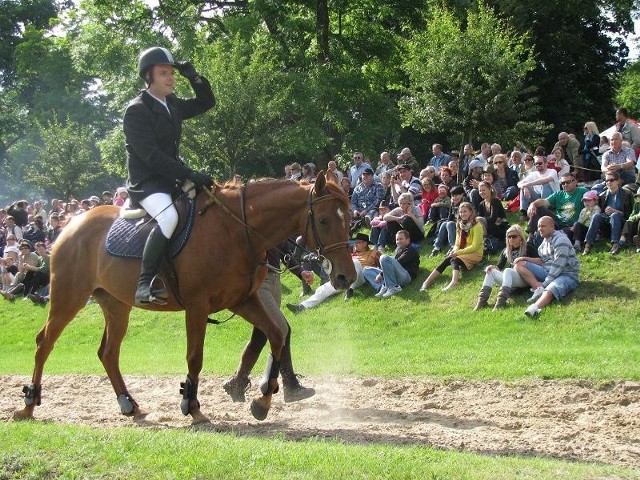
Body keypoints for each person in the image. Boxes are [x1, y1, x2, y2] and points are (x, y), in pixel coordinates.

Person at [123, 46, 215, 305]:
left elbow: (207, 103)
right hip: (147, 183)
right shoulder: (137, 110)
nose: (171, 78)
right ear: (148, 76)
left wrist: (194, 78)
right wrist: (188, 174)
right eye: (164, 73)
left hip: (171, 178)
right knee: (169, 217)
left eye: (173, 73)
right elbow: (151, 156)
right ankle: (144, 284)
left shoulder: (171, 104)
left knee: (209, 205)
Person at [223, 246, 314, 403]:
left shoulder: (277, 223)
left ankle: (237, 382)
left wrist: (300, 271)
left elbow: (284, 249)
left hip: (274, 280)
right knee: (281, 329)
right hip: (259, 281)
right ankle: (290, 385)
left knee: (260, 337)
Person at [286, 233, 381, 312]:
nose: (355, 244)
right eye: (355, 243)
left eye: (358, 243)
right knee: (323, 289)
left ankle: (349, 290)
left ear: (365, 243)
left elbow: (384, 266)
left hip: (361, 277)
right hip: (345, 277)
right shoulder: (350, 254)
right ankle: (302, 307)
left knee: (355, 262)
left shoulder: (374, 253)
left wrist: (379, 276)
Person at [514, 216, 580, 317]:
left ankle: (534, 308)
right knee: (519, 264)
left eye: (543, 226)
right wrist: (525, 259)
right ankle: (537, 287)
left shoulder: (561, 240)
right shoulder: (544, 242)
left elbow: (558, 266)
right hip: (547, 271)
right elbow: (543, 261)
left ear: (552, 226)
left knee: (551, 288)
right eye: (539, 226)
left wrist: (545, 284)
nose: (540, 229)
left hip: (566, 274)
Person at [420, 202, 483, 292]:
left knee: (454, 259)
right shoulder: (460, 224)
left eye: (465, 211)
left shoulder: (477, 226)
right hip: (463, 252)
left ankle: (454, 281)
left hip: (475, 253)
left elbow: (474, 246)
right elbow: (457, 243)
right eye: (460, 212)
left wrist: (457, 253)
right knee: (448, 259)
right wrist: (454, 251)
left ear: (471, 212)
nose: (462, 214)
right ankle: (427, 282)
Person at [473, 225, 538, 311]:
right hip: (512, 279)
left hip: (525, 278)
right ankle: (482, 301)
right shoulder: (506, 251)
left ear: (520, 237)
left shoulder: (528, 247)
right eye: (509, 237)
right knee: (491, 271)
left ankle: (500, 303)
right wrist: (492, 267)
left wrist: (524, 259)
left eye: (514, 236)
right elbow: (499, 267)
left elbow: (539, 261)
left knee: (507, 270)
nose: (511, 239)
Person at [525, 172, 587, 242]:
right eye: (563, 183)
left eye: (568, 182)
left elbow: (593, 199)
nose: (565, 185)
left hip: (573, 226)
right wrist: (533, 204)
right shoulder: (559, 194)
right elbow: (544, 202)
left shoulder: (582, 191)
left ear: (575, 181)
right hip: (558, 222)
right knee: (538, 207)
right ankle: (530, 236)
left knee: (563, 236)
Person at [582, 171, 634, 255]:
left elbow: (629, 214)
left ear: (618, 181)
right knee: (597, 216)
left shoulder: (626, 194)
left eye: (611, 180)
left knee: (614, 215)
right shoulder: (602, 195)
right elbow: (601, 212)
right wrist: (605, 212)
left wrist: (615, 211)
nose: (609, 182)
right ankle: (588, 244)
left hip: (621, 223)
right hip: (607, 224)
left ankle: (615, 243)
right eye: (606, 180)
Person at [362, 229, 420, 298]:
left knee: (384, 257)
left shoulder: (411, 250)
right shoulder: (399, 250)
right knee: (366, 270)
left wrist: (381, 274)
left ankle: (393, 287)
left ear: (408, 240)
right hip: (395, 276)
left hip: (406, 276)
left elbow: (399, 262)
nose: (398, 241)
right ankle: (384, 286)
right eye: (397, 239)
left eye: (401, 239)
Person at [430, 185, 467, 256]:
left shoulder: (465, 204)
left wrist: (452, 222)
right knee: (445, 223)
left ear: (462, 194)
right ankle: (437, 247)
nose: (454, 198)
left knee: (449, 223)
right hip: (456, 226)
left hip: (464, 228)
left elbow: (465, 220)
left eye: (457, 195)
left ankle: (453, 247)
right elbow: (450, 216)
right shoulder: (453, 203)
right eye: (453, 196)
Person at [477, 181, 508, 254]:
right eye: (480, 190)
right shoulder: (481, 204)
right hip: (490, 227)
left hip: (500, 228)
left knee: (479, 219)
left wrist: (484, 220)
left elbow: (493, 218)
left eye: (483, 190)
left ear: (490, 189)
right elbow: (490, 219)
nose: (481, 192)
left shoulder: (495, 201)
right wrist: (487, 220)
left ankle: (486, 241)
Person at [621, 187, 640, 253]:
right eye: (639, 196)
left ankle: (638, 242)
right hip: (636, 225)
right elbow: (631, 216)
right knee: (629, 222)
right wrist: (637, 216)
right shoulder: (637, 204)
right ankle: (626, 240)